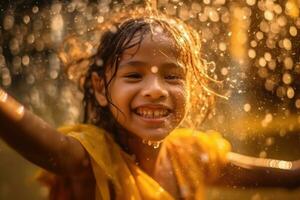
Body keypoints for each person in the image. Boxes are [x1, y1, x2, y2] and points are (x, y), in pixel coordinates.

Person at [1, 8, 300, 200]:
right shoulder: (92, 163)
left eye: (172, 76)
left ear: (190, 88)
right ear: (101, 89)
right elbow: (43, 142)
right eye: (133, 75)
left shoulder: (192, 157)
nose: (155, 90)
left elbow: (288, 177)